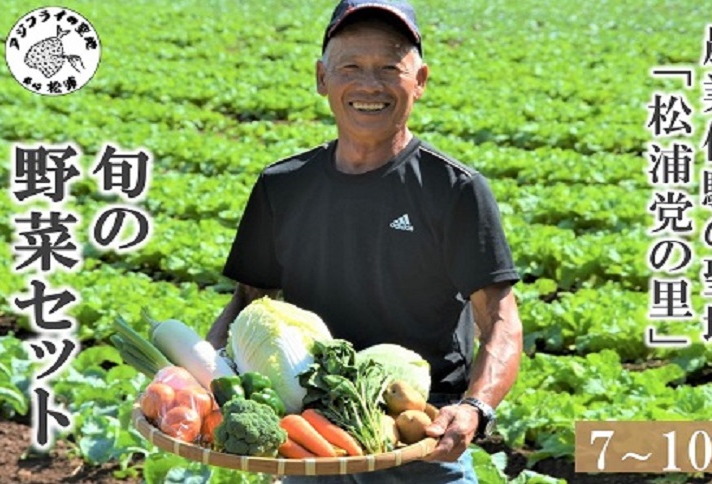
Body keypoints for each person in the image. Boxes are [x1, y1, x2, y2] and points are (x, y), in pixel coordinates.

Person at [206, 0, 523, 481]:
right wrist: (197, 380)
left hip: (419, 437)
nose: (369, 85)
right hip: (311, 437)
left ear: (419, 82)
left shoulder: (454, 189)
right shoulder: (283, 185)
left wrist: (475, 407)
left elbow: (500, 317)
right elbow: (248, 303)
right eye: (350, 67)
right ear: (321, 79)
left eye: (389, 68)